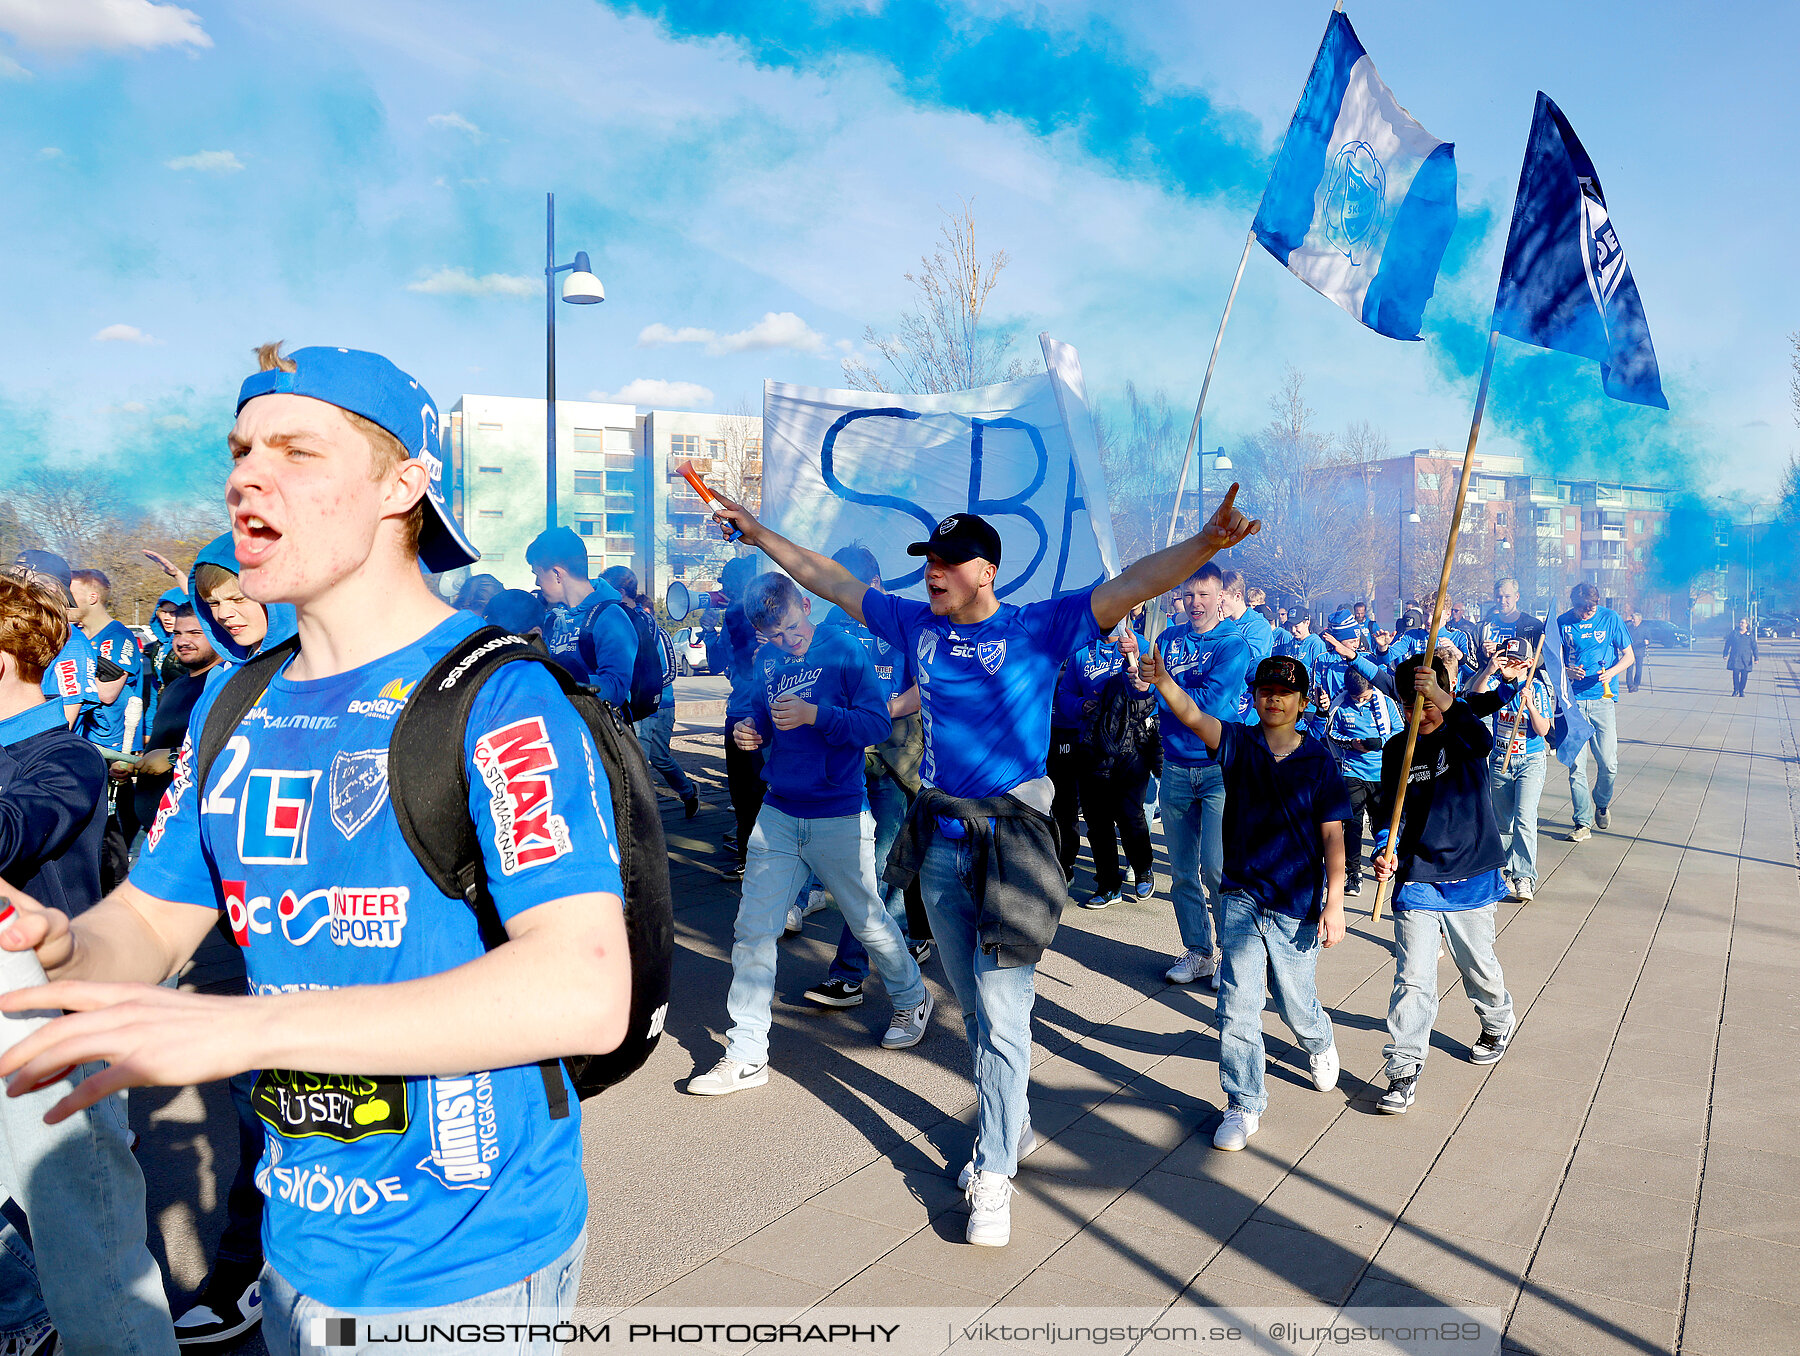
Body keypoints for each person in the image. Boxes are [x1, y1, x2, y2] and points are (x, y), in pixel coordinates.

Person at [0, 343, 629, 1351]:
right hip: (299, 1242)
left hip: (463, 1267)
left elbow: (583, 994)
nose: (247, 472)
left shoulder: (498, 696)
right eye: (242, 448)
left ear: (404, 485)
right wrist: (59, 947)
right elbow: (152, 918)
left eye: (296, 449)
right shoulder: (236, 704)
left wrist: (247, 1035)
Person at [709, 489, 1257, 1247]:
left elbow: (1135, 582)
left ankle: (994, 1171)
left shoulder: (1040, 627)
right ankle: (1017, 1125)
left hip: (1013, 850)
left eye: (947, 562)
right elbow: (830, 578)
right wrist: (757, 531)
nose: (932, 574)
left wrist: (1202, 543)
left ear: (986, 572)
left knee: (1003, 1015)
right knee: (977, 1015)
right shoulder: (915, 625)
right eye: (927, 563)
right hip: (940, 846)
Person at [0, 573, 179, 1356]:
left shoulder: (66, 755)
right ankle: (22, 1320)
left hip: (55, 1022)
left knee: (93, 1251)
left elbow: (13, 832)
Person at [691, 572, 932, 1095]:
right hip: (778, 812)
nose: (788, 641)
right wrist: (748, 731)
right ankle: (747, 1050)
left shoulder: (843, 649)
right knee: (754, 930)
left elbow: (873, 724)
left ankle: (912, 996)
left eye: (792, 628)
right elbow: (755, 716)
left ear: (805, 604)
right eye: (774, 636)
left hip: (839, 813)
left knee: (867, 920)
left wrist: (815, 714)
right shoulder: (766, 659)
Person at [1143, 648, 1349, 1152]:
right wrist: (1164, 680)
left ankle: (1318, 1039)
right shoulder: (1236, 743)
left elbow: (1333, 836)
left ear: (1303, 702)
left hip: (1295, 901)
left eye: (1285, 692)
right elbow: (1193, 717)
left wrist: (1335, 900)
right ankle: (1243, 1102)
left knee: (1295, 1002)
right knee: (1237, 1004)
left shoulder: (1319, 761)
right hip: (1239, 896)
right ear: (1253, 697)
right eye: (1265, 690)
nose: (1274, 699)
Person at [1371, 655, 1516, 1114]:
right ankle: (1402, 1070)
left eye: (1432, 697)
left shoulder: (1464, 728)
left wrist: (1440, 693)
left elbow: (1481, 737)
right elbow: (1388, 813)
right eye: (1414, 700)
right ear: (1401, 705)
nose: (1425, 708)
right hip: (1418, 877)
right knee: (1413, 979)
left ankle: (1497, 1017)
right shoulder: (1397, 750)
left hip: (1473, 871)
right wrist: (1384, 847)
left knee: (1477, 964)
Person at [803, 544, 933, 1011]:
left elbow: (926, 685)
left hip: (898, 765)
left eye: (857, 588)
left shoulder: (899, 623)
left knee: (874, 874)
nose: (848, 600)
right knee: (870, 874)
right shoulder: (829, 630)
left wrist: (882, 712)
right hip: (847, 766)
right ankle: (904, 939)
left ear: (875, 585)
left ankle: (849, 977)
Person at [1156, 564, 1254, 988]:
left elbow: (1212, 704)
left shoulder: (1233, 646)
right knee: (1181, 873)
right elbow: (1145, 693)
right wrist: (1142, 682)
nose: (1195, 603)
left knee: (1216, 869)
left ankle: (1234, 954)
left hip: (1218, 769)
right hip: (1174, 768)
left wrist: (1164, 687)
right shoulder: (1167, 641)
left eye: (1203, 595)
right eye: (1188, 594)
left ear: (1221, 597)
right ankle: (1199, 952)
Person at [603, 567, 700, 817]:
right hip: (641, 704)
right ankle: (688, 792)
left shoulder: (641, 621)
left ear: (621, 591)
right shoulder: (620, 618)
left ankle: (641, 819)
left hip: (654, 704)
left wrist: (647, 692)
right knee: (656, 758)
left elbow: (662, 671)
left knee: (645, 762)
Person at [1070, 622, 1155, 909]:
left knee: (1130, 816)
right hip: (1093, 748)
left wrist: (1133, 655)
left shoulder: (1139, 644)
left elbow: (1153, 690)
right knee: (1097, 822)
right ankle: (1108, 885)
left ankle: (1143, 869)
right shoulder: (1082, 650)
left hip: (1132, 748)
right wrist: (1080, 705)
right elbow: (1065, 694)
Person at [1470, 639, 1555, 903]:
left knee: (1525, 818)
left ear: (1529, 663)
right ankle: (1504, 870)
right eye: (1508, 660)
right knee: (1502, 821)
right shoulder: (1497, 684)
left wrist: (1529, 704)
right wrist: (1489, 669)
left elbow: (1543, 730)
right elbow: (1475, 697)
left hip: (1530, 761)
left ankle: (1525, 876)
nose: (1513, 666)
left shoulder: (1537, 688)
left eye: (1518, 662)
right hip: (1500, 760)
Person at [525, 528, 638, 710]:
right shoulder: (551, 620)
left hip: (594, 731)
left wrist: (562, 680)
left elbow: (616, 688)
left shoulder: (611, 617)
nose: (537, 583)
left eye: (537, 574)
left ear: (557, 573)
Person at [1557, 583, 1633, 842]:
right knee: (1576, 766)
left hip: (1602, 700)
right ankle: (1582, 822)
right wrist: (1567, 672)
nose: (1586, 613)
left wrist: (1611, 672)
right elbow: (1553, 660)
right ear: (1573, 603)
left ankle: (1601, 803)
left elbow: (1629, 656)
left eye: (1591, 608)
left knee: (1609, 764)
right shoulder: (1562, 622)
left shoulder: (1611, 618)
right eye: (1581, 608)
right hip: (1574, 703)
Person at [1322, 665, 1401, 898]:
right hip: (1352, 772)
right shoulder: (1340, 703)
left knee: (1382, 824)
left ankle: (1386, 861)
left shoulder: (1385, 702)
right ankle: (1353, 872)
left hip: (1381, 773)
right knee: (1353, 825)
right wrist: (1350, 743)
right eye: (1355, 697)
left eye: (1364, 696)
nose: (1359, 700)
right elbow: (1331, 733)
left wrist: (1379, 741)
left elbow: (1398, 731)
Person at [7, 551, 102, 732]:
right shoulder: (18, 633)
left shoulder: (71, 644)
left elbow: (62, 725)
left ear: (50, 589)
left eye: (18, 581)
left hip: (34, 756)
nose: (9, 589)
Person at [717, 556, 766, 879]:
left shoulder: (770, 619)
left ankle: (762, 862)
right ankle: (749, 859)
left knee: (759, 794)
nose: (729, 594)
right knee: (743, 795)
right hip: (737, 712)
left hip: (762, 718)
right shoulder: (734, 619)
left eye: (732, 587)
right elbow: (719, 660)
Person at [1480, 577, 1544, 665]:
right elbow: (1474, 660)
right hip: (1491, 677)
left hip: (1522, 677)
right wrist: (1483, 654)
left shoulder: (1533, 625)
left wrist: (1501, 648)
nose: (1502, 601)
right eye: (1499, 597)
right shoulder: (1483, 626)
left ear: (1517, 597)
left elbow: (1541, 659)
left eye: (1507, 596)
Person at [1219, 569, 1273, 663]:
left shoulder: (1259, 626)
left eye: (1222, 601)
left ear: (1237, 597)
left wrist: (1222, 627)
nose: (1218, 605)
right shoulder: (1218, 621)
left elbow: (1245, 660)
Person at [1723, 618, 1758, 698]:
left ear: (1747, 624)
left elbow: (1754, 646)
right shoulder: (1734, 633)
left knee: (1744, 675)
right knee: (1735, 674)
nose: (1741, 624)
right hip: (1736, 657)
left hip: (1746, 659)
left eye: (1743, 623)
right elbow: (1727, 644)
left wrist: (1756, 657)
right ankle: (1735, 690)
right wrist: (1725, 654)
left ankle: (1741, 690)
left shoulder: (1750, 635)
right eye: (1740, 622)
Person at [1624, 608, 1650, 692]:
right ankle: (1630, 685)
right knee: (1629, 669)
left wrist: (1647, 641)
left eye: (1633, 619)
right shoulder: (1629, 627)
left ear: (1639, 620)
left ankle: (1636, 684)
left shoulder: (1645, 628)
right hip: (1630, 650)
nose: (1632, 620)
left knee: (1639, 669)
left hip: (1639, 651)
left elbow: (1649, 639)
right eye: (1632, 618)